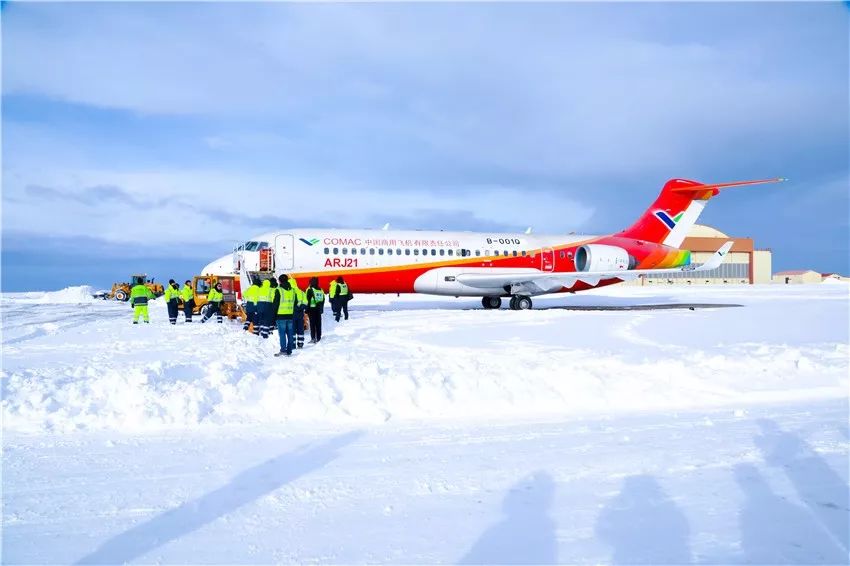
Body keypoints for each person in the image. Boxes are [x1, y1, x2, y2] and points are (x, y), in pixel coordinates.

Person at [273, 274, 296, 356]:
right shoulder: (293, 290)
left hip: (280, 315)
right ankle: (289, 351)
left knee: (282, 334)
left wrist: (274, 316)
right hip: (290, 315)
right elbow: (295, 303)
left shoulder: (279, 290)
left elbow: (275, 304)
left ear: (279, 281)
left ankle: (283, 350)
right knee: (290, 334)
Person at [306, 277, 325, 343]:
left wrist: (307, 310)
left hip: (312, 309)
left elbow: (308, 300)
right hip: (318, 309)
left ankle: (313, 338)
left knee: (312, 324)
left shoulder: (310, 290)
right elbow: (323, 299)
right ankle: (319, 337)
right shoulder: (321, 290)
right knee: (318, 324)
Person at [290, 276, 307, 349]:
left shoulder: (289, 292)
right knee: (300, 328)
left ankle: (293, 344)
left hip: (291, 313)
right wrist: (300, 308)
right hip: (300, 313)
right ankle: (300, 344)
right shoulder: (302, 292)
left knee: (292, 329)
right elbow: (306, 303)